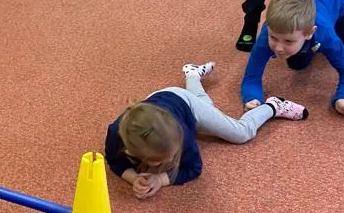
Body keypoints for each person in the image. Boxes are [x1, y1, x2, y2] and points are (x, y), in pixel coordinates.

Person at [104, 62, 308, 200]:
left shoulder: (179, 134)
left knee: (241, 133)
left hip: (185, 104)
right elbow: (114, 160)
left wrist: (161, 179)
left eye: (171, 157)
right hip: (158, 103)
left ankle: (273, 106)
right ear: (130, 151)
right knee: (207, 107)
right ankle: (192, 74)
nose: (169, 162)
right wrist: (133, 177)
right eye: (160, 161)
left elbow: (194, 168)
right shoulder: (116, 134)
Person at [241, 0, 344, 120]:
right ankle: (303, 44)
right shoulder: (268, 33)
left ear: (310, 32)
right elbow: (251, 77)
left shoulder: (325, 33)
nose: (278, 48)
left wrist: (342, 97)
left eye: (288, 41)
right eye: (274, 37)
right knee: (298, 64)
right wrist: (252, 99)